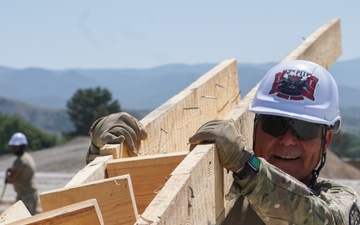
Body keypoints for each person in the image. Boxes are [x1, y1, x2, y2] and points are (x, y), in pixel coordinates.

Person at [87, 60, 360, 224]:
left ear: (326, 141)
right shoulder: (216, 188)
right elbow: (124, 208)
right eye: (275, 125)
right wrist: (103, 154)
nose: (287, 140)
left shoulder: (339, 201)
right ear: (256, 128)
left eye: (304, 129)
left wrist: (245, 165)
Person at [6, 132, 38, 215]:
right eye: (13, 146)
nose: (13, 149)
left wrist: (7, 177)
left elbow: (12, 179)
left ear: (21, 147)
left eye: (15, 147)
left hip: (25, 196)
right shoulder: (27, 157)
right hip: (31, 194)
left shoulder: (20, 161)